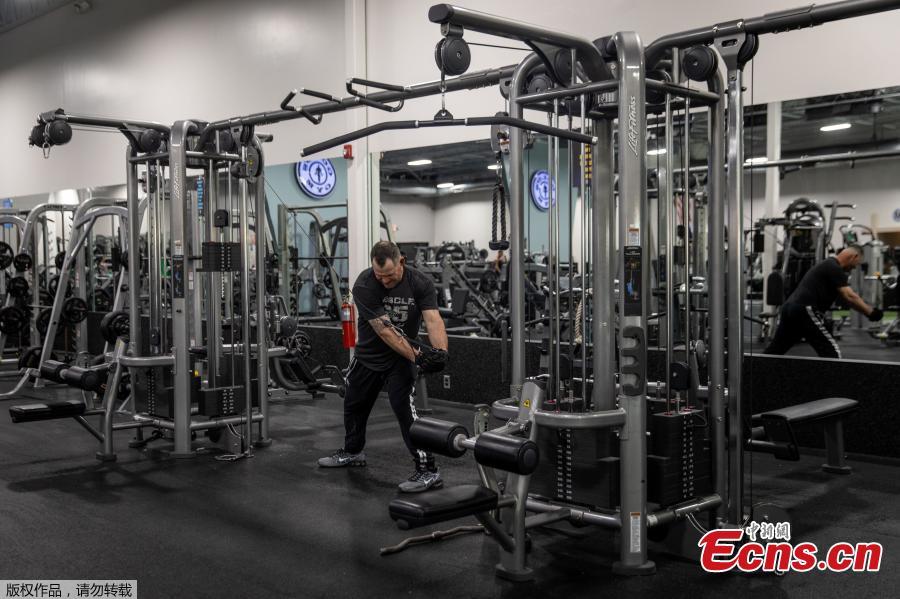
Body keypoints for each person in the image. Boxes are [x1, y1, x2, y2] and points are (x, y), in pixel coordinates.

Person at [318, 240, 449, 493]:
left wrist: (441, 352)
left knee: (404, 410)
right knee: (353, 405)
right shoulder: (365, 284)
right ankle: (353, 451)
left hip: (400, 361)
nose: (384, 281)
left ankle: (428, 470)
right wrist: (419, 357)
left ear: (401, 262)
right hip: (367, 357)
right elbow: (385, 331)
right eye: (380, 276)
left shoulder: (420, 283)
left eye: (389, 276)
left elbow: (433, 320)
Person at [764, 245, 883, 358]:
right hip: (804, 309)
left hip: (789, 309)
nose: (855, 267)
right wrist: (871, 312)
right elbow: (850, 296)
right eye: (857, 263)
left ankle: (756, 370)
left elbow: (850, 301)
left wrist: (867, 312)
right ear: (854, 256)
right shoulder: (834, 267)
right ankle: (834, 374)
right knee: (831, 353)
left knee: (775, 351)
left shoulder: (828, 264)